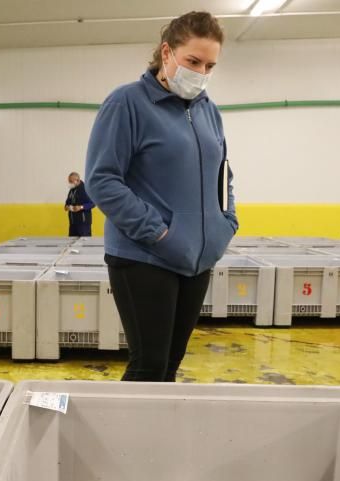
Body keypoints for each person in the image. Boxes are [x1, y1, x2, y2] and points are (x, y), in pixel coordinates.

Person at [85, 11, 237, 382]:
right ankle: (123, 440)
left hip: (196, 260)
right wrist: (158, 232)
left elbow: (223, 174)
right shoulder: (127, 103)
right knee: (149, 365)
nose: (201, 73)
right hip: (144, 256)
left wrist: (226, 223)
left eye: (210, 65)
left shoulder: (208, 111)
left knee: (170, 363)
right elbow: (102, 180)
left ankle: (153, 438)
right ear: (167, 53)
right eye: (193, 61)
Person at [64, 172, 95, 237]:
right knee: (71, 244)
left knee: (84, 245)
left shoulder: (86, 188)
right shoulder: (72, 190)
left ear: (77, 180)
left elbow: (93, 203)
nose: (69, 183)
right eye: (69, 181)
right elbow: (67, 202)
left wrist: (81, 207)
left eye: (71, 181)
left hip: (83, 224)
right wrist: (67, 207)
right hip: (73, 223)